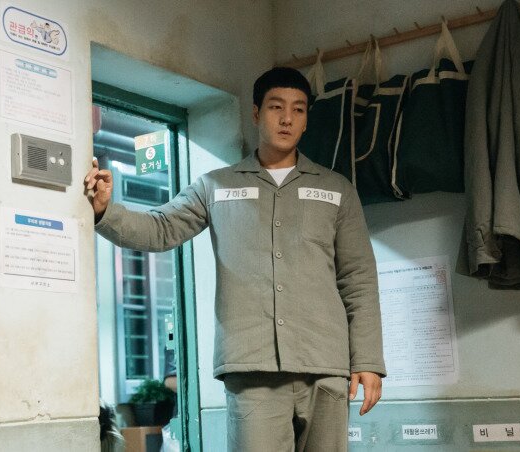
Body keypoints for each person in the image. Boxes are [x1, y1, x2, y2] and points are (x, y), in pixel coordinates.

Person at [85, 67, 386, 452]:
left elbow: (358, 279)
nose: (287, 118)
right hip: (251, 369)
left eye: (298, 109)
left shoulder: (336, 189)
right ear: (256, 113)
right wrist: (105, 211)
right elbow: (161, 228)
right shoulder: (216, 186)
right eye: (276, 107)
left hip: (325, 365)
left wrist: (368, 360)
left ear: (307, 119)